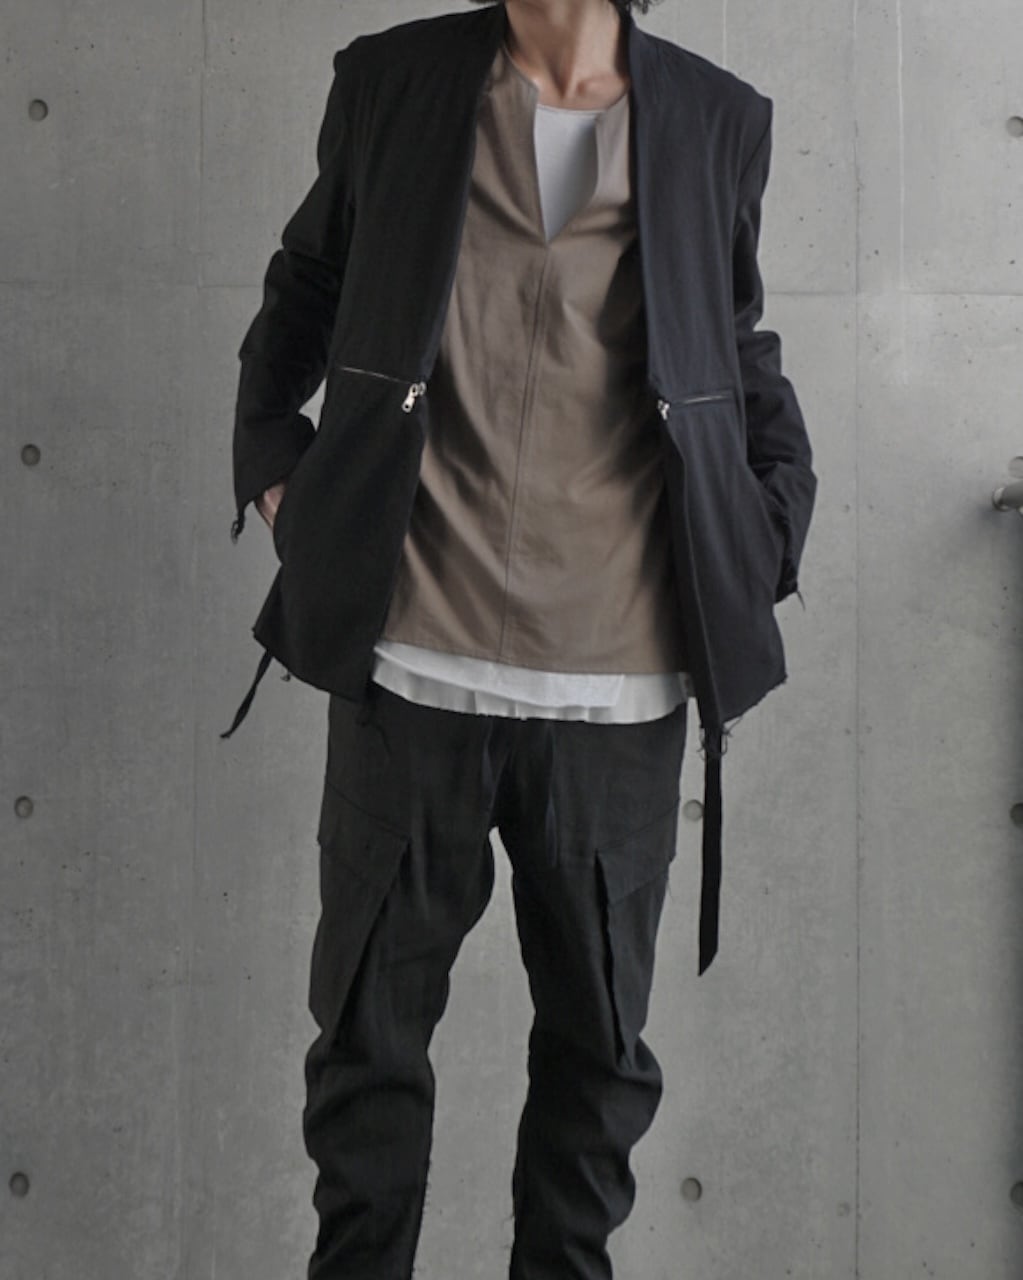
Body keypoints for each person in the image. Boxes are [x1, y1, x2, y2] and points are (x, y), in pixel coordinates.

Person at [220, 0, 817, 1276]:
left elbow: (734, 341)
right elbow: (307, 282)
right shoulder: (395, 81)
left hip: (620, 679)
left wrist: (767, 527)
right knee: (367, 1059)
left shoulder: (714, 119)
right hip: (410, 661)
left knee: (598, 1072)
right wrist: (276, 464)